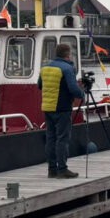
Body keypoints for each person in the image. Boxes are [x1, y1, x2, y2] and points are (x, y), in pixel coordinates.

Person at [38, 43, 85, 179]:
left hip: (48, 107)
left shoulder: (45, 68)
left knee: (50, 138)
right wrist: (82, 93)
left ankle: (52, 170)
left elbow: (40, 85)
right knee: (62, 139)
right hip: (62, 108)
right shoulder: (67, 68)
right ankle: (63, 169)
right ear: (68, 54)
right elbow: (74, 89)